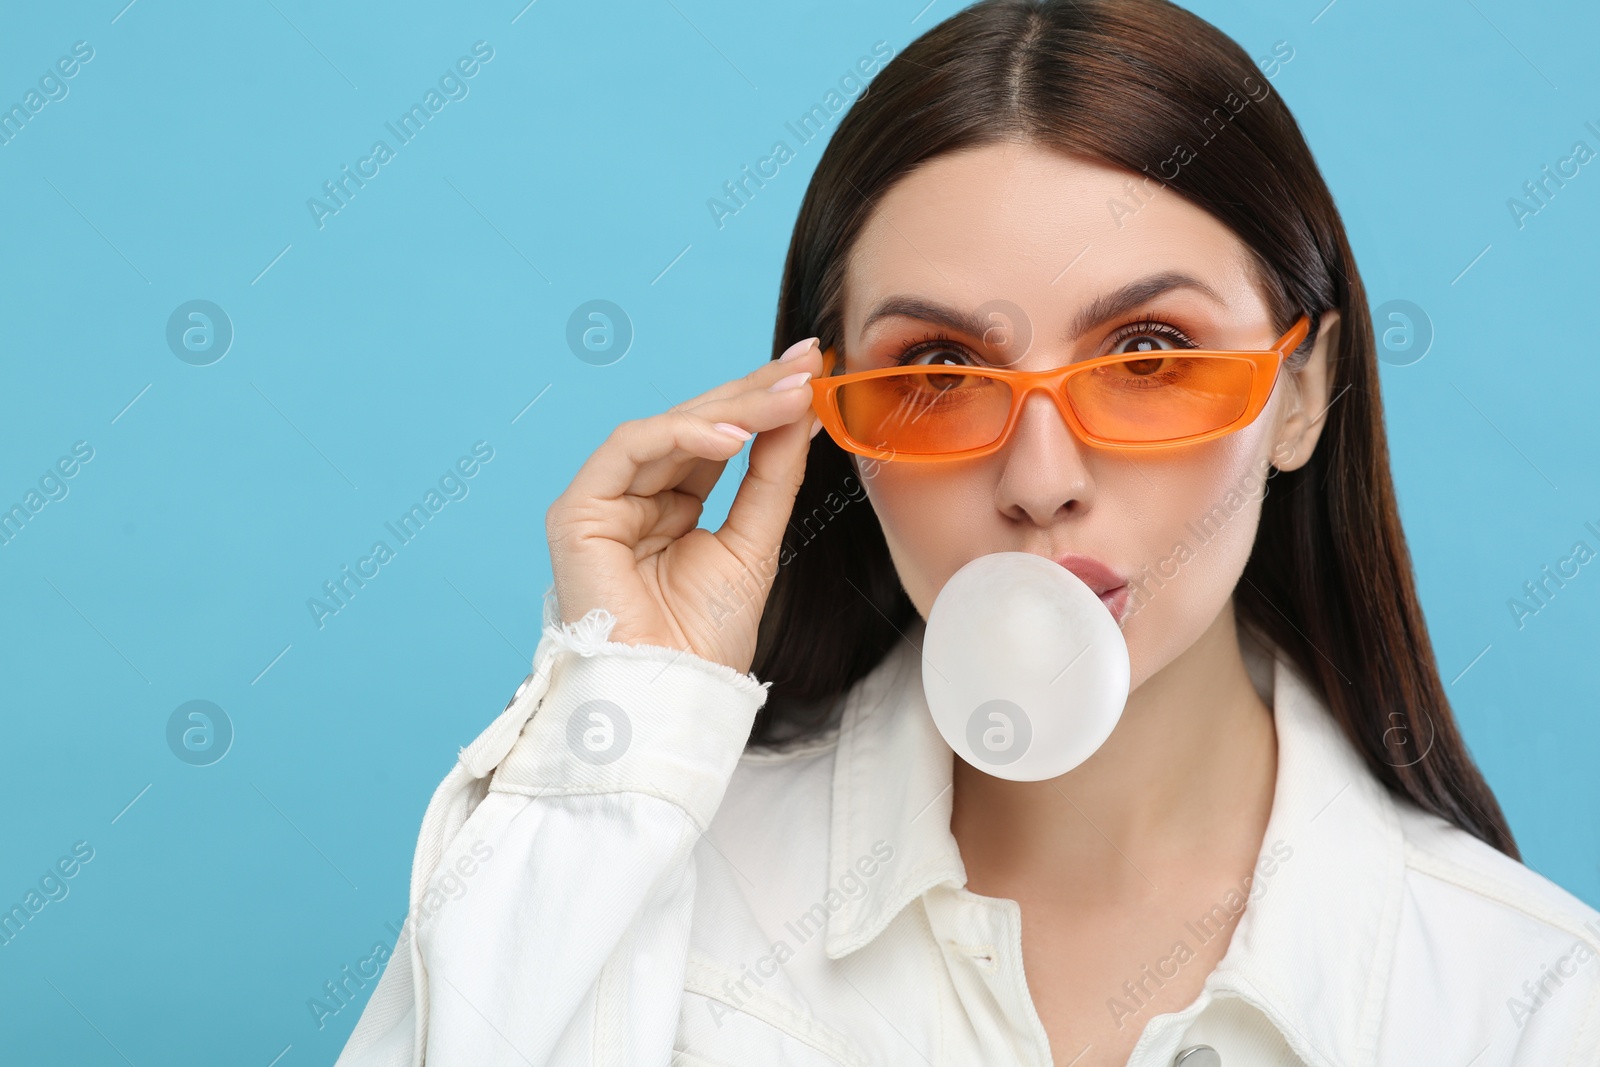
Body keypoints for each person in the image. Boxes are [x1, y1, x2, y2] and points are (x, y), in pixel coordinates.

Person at [334, 1, 1600, 1063]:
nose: (1039, 479)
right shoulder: (643, 882)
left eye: (1148, 353)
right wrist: (615, 734)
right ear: (828, 419)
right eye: (937, 367)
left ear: (1301, 393)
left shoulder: (1534, 1001)